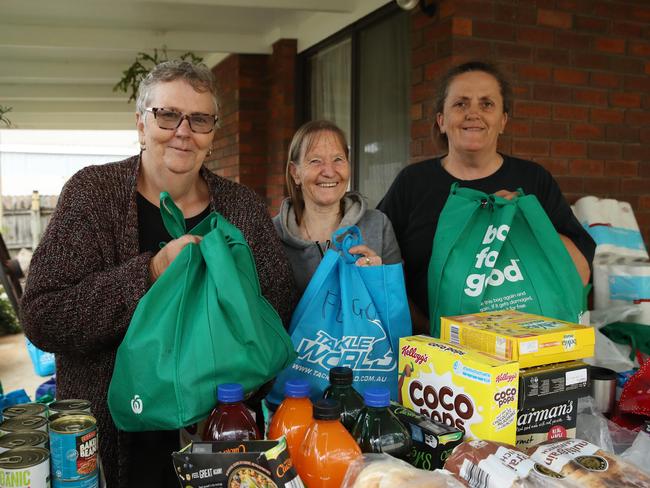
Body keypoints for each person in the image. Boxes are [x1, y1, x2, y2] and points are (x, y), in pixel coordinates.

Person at [20, 60, 296, 487]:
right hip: (111, 450)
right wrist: (148, 273)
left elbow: (276, 312)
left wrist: (234, 397)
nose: (183, 131)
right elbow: (43, 316)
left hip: (218, 446)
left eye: (200, 119)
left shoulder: (241, 209)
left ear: (212, 133)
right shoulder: (93, 195)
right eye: (167, 115)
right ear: (140, 124)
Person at [378, 61, 595, 333]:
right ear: (441, 121)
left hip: (525, 350)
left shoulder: (533, 180)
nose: (473, 114)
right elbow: (378, 264)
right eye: (461, 104)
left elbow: (579, 271)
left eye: (486, 104)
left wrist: (523, 219)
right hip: (433, 353)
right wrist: (420, 325)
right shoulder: (413, 182)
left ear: (503, 120)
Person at [274, 120, 401, 297]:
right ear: (295, 173)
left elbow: (395, 302)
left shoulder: (378, 225)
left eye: (338, 159)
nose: (329, 171)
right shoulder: (271, 234)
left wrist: (378, 278)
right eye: (315, 160)